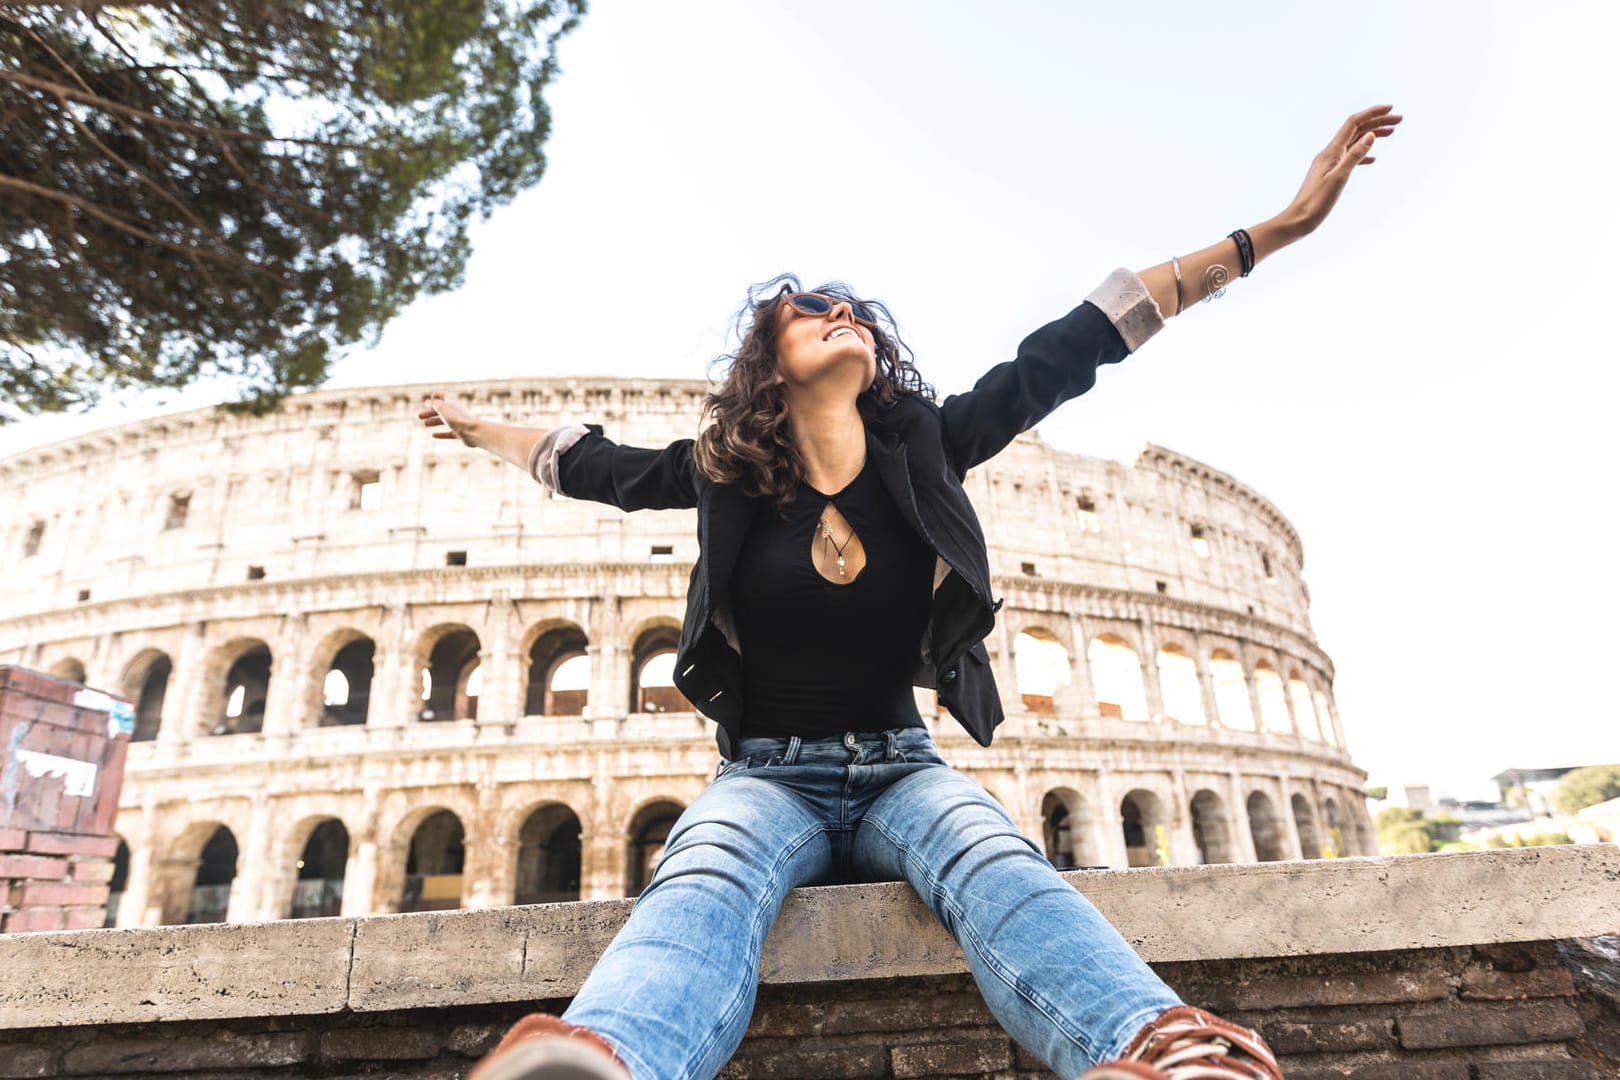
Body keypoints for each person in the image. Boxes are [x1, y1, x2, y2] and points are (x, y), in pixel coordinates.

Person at [419, 104, 1402, 1080]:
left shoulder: (927, 442)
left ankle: (1171, 1059)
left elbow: (1083, 337)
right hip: (766, 773)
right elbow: (586, 463)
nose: (839, 313)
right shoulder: (724, 472)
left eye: (853, 309)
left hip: (902, 765)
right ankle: (606, 1066)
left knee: (997, 861)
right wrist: (474, 428)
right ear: (769, 360)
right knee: (702, 875)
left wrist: (1278, 226)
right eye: (808, 310)